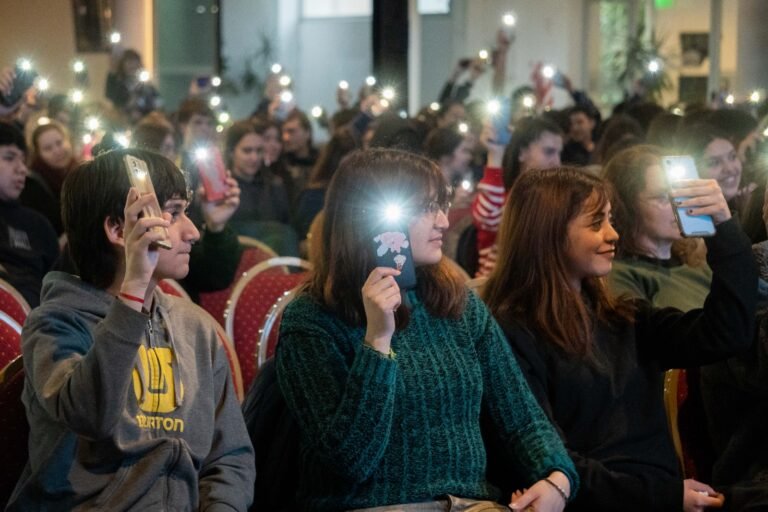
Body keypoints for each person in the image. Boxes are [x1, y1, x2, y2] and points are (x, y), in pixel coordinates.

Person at [275, 148, 579, 512]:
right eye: (425, 208)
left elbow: (522, 417)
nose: (444, 222)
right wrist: (377, 342)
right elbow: (350, 462)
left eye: (442, 205)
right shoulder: (312, 319)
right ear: (371, 221)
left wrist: (557, 479)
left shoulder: (457, 305)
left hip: (470, 504)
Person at [482, 166, 757, 512]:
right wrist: (664, 497)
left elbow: (726, 334)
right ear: (548, 233)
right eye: (597, 223)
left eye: (611, 220)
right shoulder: (509, 331)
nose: (613, 234)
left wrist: (722, 230)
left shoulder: (623, 318)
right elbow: (545, 457)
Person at [6, 148, 255, 510]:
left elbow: (230, 456)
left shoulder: (196, 327)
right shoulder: (55, 324)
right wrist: (134, 288)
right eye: (172, 213)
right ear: (119, 229)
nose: (193, 232)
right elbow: (92, 416)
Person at [603, 144, 712, 310]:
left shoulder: (699, 265)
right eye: (662, 197)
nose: (678, 205)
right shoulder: (620, 274)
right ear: (625, 206)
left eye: (680, 194)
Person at [471, 117, 563, 276]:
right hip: (499, 291)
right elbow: (488, 217)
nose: (557, 162)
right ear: (521, 152)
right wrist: (496, 154)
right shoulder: (505, 199)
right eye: (548, 152)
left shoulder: (557, 200)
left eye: (559, 153)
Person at [0, 122, 58, 308]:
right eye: (9, 158)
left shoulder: (38, 224)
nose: (22, 169)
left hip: (37, 326)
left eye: (23, 161)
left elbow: (58, 290)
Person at [225, 120, 296, 255]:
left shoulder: (275, 185)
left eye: (259, 151)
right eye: (247, 151)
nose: (254, 157)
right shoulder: (224, 188)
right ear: (231, 152)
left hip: (274, 263)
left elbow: (287, 226)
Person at [20, 121, 79, 237]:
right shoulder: (33, 185)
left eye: (59, 143)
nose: (57, 151)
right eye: (48, 148)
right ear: (38, 154)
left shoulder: (80, 171)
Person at [281, 109, 318, 194]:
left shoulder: (321, 162)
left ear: (307, 133)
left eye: (291, 131)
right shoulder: (281, 165)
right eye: (283, 132)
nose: (285, 138)